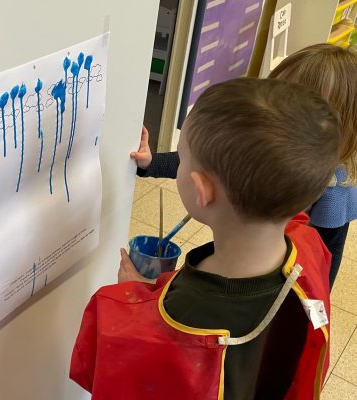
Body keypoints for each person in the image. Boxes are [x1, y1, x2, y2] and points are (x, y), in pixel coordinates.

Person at [70, 78, 338, 399]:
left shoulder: (184, 319)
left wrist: (134, 300)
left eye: (181, 158)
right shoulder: (310, 245)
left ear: (201, 191)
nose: (179, 163)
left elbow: (117, 367)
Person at [132, 44, 357, 289]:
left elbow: (324, 267)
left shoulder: (336, 193)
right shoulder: (265, 142)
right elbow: (205, 160)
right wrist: (152, 163)